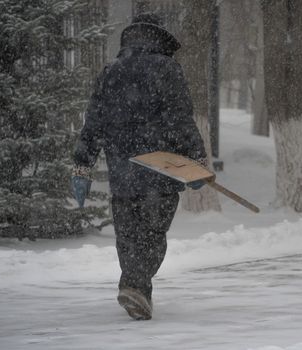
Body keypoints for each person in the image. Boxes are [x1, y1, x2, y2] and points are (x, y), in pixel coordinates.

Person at [71, 12, 207, 320]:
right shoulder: (167, 68)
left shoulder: (110, 70)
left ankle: (134, 287)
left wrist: (82, 165)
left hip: (123, 171)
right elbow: (180, 118)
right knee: (152, 233)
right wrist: (196, 159)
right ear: (159, 37)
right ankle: (135, 286)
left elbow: (93, 122)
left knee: (129, 235)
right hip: (160, 171)